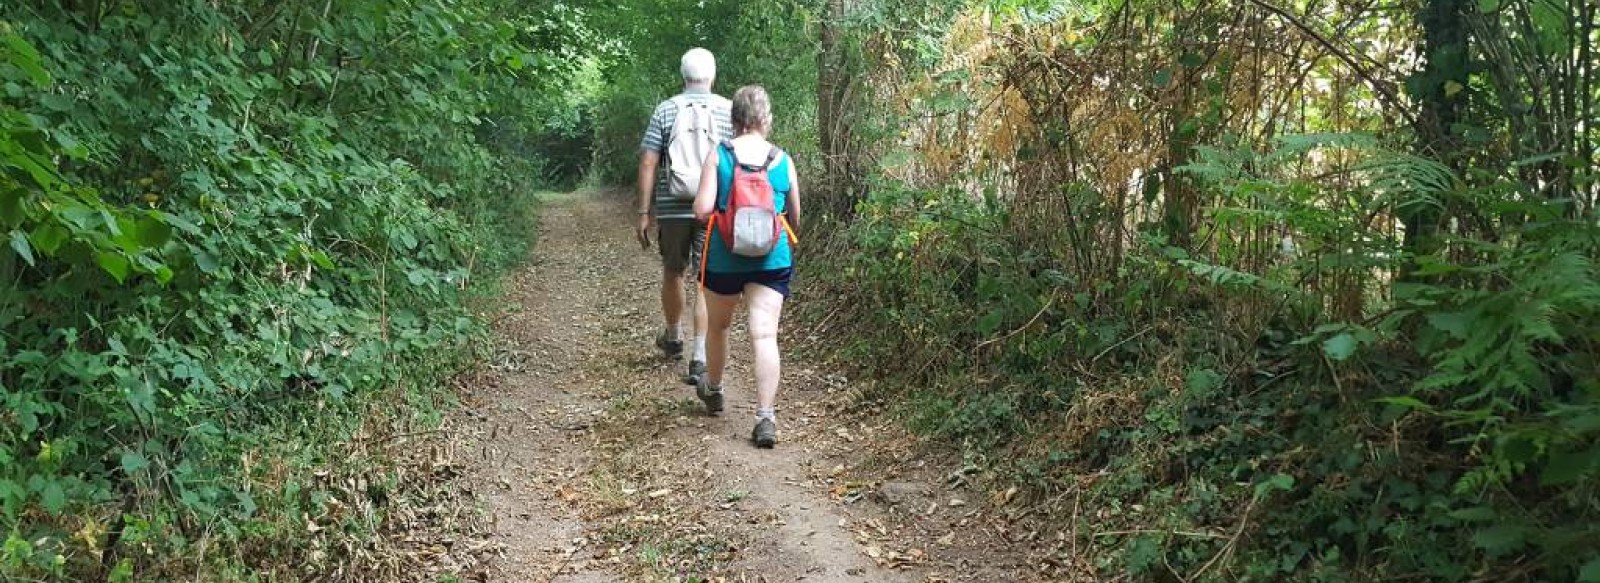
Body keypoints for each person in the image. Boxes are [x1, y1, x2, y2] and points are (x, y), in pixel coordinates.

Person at [692, 85, 800, 448]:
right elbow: (795, 218)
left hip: (724, 259)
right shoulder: (782, 159)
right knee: (765, 335)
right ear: (766, 119)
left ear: (734, 119)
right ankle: (765, 417)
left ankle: (715, 389)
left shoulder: (719, 155)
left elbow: (702, 210)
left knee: (718, 328)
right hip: (772, 259)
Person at [636, 48, 733, 384]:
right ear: (712, 75)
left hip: (674, 205)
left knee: (673, 270)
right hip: (712, 208)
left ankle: (674, 335)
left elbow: (649, 161)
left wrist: (644, 211)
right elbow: (737, 161)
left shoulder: (666, 110)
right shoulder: (727, 110)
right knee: (704, 280)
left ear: (683, 76)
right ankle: (700, 356)